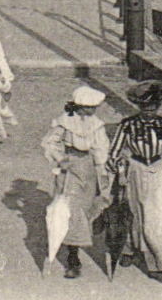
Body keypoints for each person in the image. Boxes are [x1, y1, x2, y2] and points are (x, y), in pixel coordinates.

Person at [109, 82, 162, 282]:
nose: (150, 113)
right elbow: (114, 152)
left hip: (160, 172)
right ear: (139, 107)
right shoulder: (127, 125)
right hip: (137, 171)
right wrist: (117, 171)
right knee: (140, 215)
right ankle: (154, 263)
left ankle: (154, 255)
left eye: (154, 108)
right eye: (145, 109)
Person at [41, 86, 112, 279]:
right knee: (71, 211)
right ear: (81, 106)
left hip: (88, 169)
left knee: (86, 209)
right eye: (90, 107)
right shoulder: (64, 123)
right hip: (70, 168)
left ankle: (84, 239)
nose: (94, 110)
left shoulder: (96, 125)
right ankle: (73, 258)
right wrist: (59, 157)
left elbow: (101, 149)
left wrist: (102, 171)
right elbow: (49, 142)